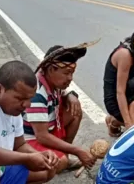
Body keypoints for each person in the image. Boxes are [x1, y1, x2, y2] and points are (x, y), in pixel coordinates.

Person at [22, 43, 98, 174]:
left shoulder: (52, 81)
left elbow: (62, 93)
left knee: (75, 111)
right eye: (67, 73)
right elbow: (42, 136)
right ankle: (32, 173)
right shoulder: (37, 94)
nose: (70, 78)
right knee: (60, 162)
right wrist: (77, 151)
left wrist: (71, 95)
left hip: (47, 130)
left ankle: (63, 155)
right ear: (51, 70)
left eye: (72, 73)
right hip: (30, 139)